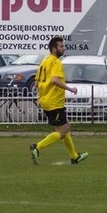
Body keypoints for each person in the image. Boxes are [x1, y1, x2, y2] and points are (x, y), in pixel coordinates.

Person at [30, 36, 89, 165]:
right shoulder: (55, 62)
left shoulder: (44, 62)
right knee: (64, 129)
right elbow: (54, 80)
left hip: (46, 101)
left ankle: (74, 156)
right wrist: (69, 88)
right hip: (54, 103)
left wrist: (41, 93)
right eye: (61, 46)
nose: (64, 48)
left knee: (64, 128)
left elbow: (36, 82)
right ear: (54, 48)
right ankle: (37, 147)